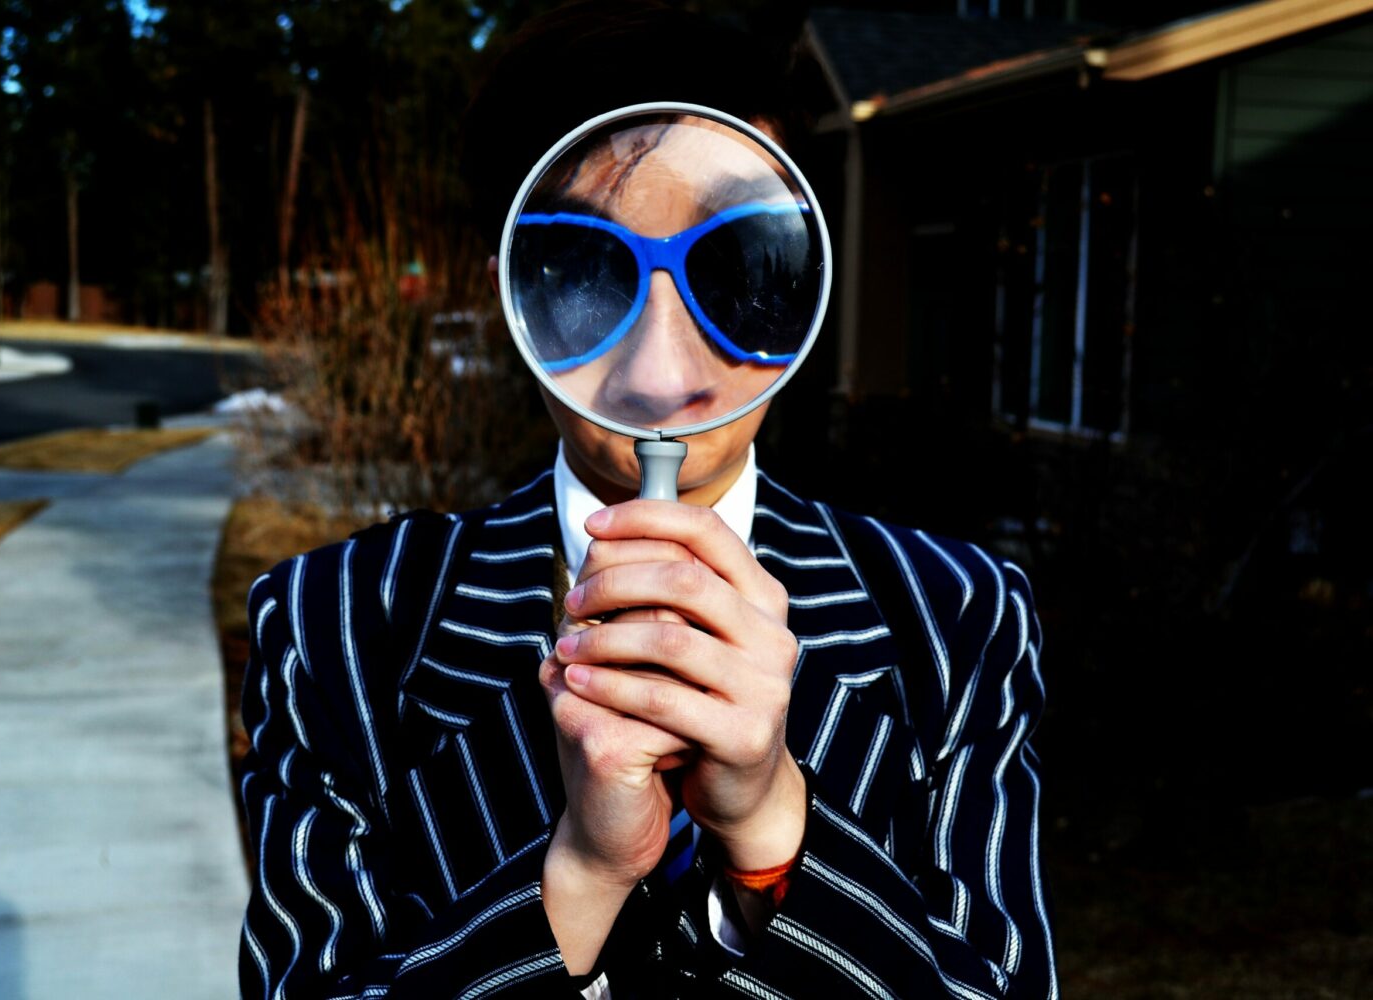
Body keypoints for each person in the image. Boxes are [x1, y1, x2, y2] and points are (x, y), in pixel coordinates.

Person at [238, 3, 1058, 998]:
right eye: (586, 270)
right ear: (511, 298)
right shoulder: (337, 627)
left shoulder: (957, 618)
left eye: (736, 262)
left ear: (805, 276)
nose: (661, 374)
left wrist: (771, 831)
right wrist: (579, 873)